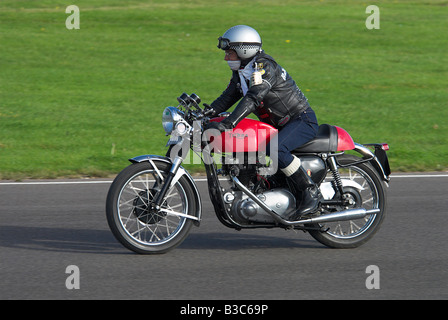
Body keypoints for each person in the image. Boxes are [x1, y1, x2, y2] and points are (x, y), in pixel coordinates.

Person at [205, 25, 322, 219]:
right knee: (248, 149)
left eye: (230, 53)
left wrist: (229, 123)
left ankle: (310, 192)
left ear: (244, 50)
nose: (226, 57)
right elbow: (227, 97)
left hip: (300, 120)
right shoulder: (243, 70)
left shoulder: (264, 67)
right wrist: (206, 113)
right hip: (280, 124)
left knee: (275, 150)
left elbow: (253, 98)